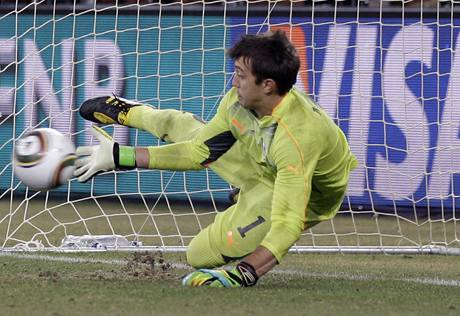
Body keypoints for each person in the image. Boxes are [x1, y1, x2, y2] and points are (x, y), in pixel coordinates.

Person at [74, 30, 358, 287]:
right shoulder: (239, 101)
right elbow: (198, 152)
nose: (234, 82)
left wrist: (244, 272)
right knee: (185, 128)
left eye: (241, 75)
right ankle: (129, 111)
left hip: (298, 192)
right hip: (260, 161)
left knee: (198, 255)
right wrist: (122, 156)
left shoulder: (297, 139)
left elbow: (288, 223)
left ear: (268, 85)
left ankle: (249, 201)